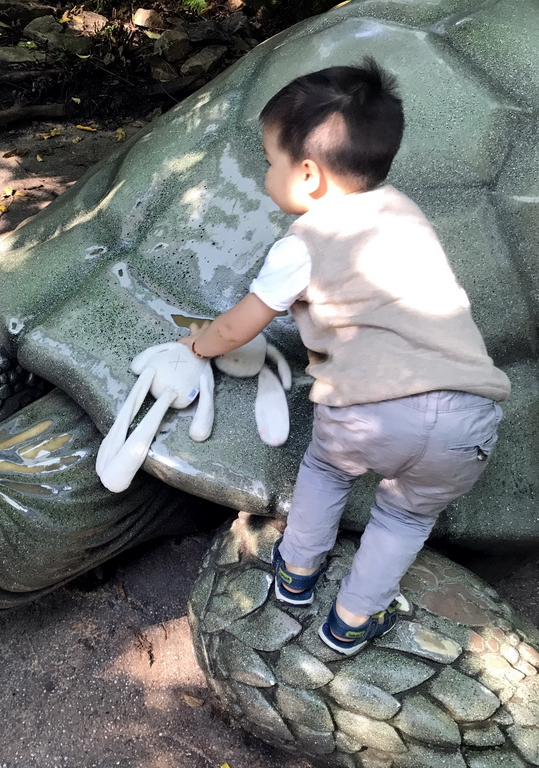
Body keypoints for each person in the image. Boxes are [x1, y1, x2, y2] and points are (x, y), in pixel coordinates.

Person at [179, 58, 511, 655]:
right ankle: (352, 622)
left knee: (327, 471)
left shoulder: (303, 243)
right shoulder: (406, 213)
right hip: (470, 415)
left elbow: (240, 325)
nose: (264, 177)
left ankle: (296, 575)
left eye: (269, 162)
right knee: (406, 518)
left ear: (307, 175)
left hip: (368, 412)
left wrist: (199, 344)